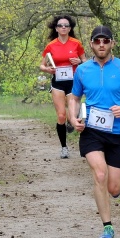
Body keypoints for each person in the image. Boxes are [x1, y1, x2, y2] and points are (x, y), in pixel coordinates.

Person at [68, 25, 120, 238]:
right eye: (97, 41)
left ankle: (114, 188)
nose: (101, 45)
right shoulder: (82, 70)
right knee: (99, 174)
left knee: (113, 187)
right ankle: (107, 227)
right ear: (91, 44)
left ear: (112, 43)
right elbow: (74, 97)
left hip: (117, 131)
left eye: (106, 41)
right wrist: (74, 119)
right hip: (91, 130)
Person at [39, 15, 87, 159]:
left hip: (74, 81)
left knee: (73, 115)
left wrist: (78, 61)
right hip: (58, 82)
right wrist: (47, 69)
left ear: (70, 28)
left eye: (66, 25)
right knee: (61, 116)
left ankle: (73, 121)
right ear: (56, 28)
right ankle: (64, 148)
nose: (63, 27)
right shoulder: (51, 45)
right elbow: (42, 65)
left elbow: (86, 61)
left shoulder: (76, 43)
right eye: (60, 25)